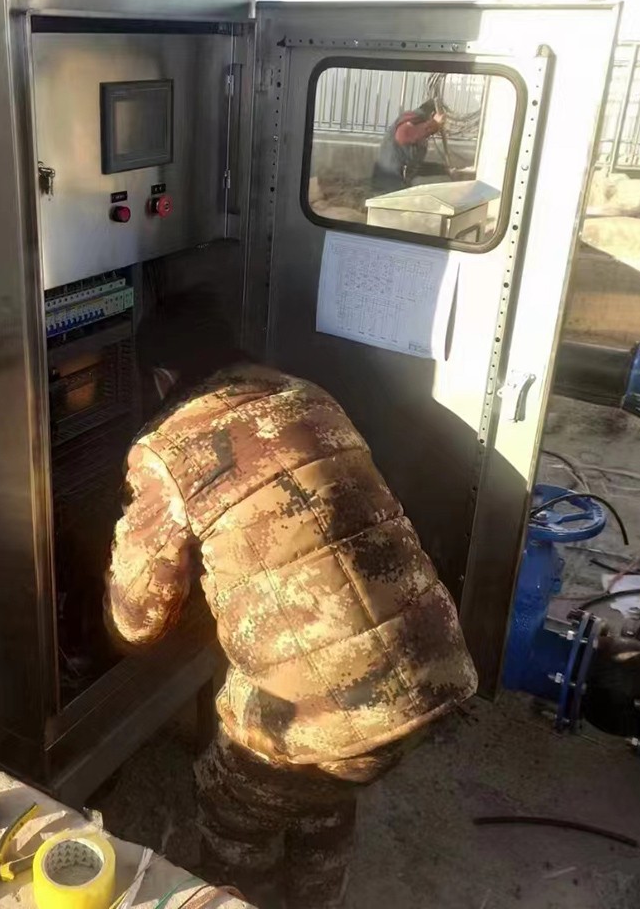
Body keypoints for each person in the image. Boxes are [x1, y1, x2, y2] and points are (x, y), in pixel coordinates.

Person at [104, 294, 477, 908]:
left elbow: (137, 619)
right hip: (434, 670)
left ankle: (242, 896)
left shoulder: (165, 449)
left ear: (164, 378)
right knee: (327, 779)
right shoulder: (308, 397)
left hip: (335, 705)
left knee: (232, 803)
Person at [372, 99, 449, 193]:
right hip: (389, 182)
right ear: (432, 115)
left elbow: (414, 166)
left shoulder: (416, 129)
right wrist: (434, 124)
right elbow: (403, 135)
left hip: (396, 179)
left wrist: (443, 169)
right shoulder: (410, 121)